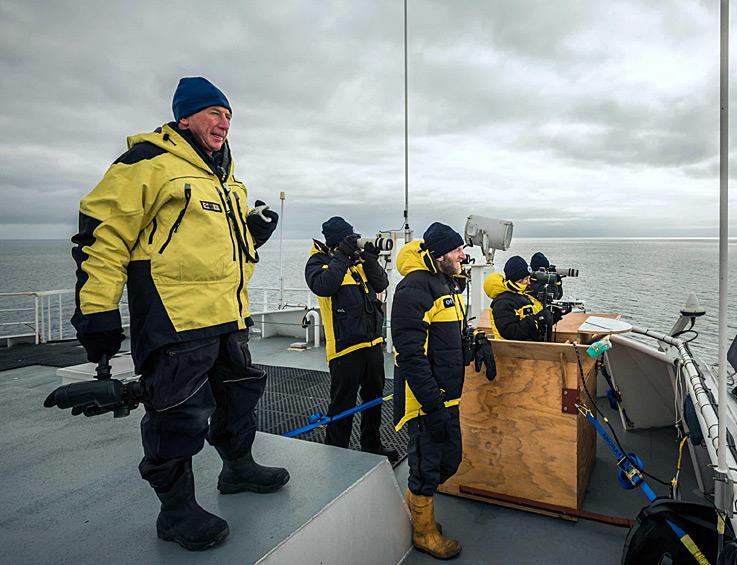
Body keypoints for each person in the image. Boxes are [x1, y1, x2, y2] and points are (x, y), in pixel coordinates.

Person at [70, 77, 288, 551]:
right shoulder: (146, 163)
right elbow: (103, 236)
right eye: (213, 112)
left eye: (228, 115)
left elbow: (224, 251)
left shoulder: (228, 179)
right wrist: (97, 309)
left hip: (227, 314)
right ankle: (175, 510)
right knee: (177, 413)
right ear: (184, 117)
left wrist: (253, 234)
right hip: (173, 315)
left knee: (238, 394)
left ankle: (238, 468)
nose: (223, 122)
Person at [391, 222, 469, 559]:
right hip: (428, 401)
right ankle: (423, 533)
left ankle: (412, 510)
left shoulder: (442, 284)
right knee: (426, 469)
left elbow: (445, 336)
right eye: (456, 251)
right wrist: (433, 404)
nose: (463, 256)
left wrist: (472, 346)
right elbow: (410, 354)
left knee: (448, 463)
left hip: (448, 397)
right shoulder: (414, 289)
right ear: (439, 256)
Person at [304, 216, 396, 460]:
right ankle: (337, 452)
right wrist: (342, 257)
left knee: (373, 400)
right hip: (344, 348)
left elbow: (381, 283)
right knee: (342, 406)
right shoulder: (318, 262)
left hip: (372, 343)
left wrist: (369, 258)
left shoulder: (357, 262)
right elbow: (324, 286)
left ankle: (371, 444)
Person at [485, 256, 556, 341]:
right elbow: (511, 332)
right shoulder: (502, 302)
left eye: (529, 278)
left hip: (527, 348)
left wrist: (555, 314)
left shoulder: (523, 296)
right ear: (517, 279)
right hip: (512, 351)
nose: (528, 282)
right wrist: (537, 319)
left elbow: (539, 317)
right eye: (526, 279)